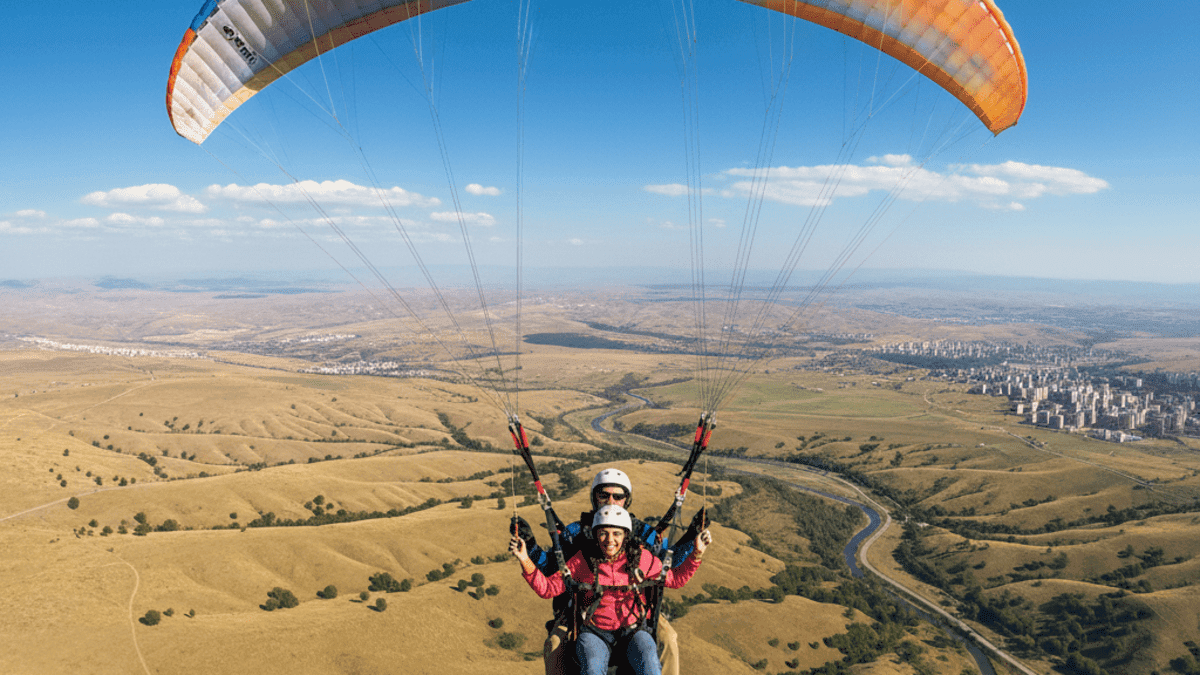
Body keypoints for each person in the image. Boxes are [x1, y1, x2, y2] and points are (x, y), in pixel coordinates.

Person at [511, 469, 706, 675]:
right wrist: (529, 551)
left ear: (627, 500)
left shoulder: (641, 534)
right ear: (595, 498)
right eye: (604, 495)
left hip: (634, 613)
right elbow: (551, 568)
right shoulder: (576, 536)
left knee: (668, 640)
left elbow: (670, 565)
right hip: (584, 611)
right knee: (554, 645)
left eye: (618, 496)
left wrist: (692, 542)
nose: (611, 501)